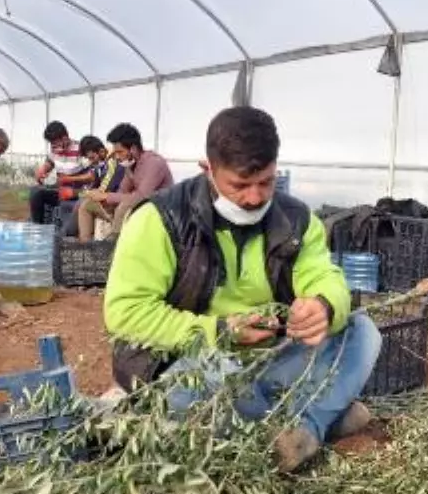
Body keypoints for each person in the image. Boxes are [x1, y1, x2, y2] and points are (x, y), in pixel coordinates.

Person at [104, 106, 381, 473]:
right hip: (194, 363)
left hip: (271, 358)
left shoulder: (296, 219)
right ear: (208, 169)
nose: (254, 198)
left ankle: (305, 430)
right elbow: (125, 312)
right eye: (240, 184)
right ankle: (325, 413)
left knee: (362, 333)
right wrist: (219, 332)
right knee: (197, 392)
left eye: (265, 182)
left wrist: (323, 305)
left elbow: (325, 275)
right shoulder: (160, 220)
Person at [77, 123, 173, 240]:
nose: (116, 157)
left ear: (133, 148)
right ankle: (85, 250)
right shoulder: (129, 164)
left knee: (124, 206)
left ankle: (113, 248)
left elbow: (141, 197)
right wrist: (101, 198)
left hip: (157, 213)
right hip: (135, 209)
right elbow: (122, 191)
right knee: (87, 204)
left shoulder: (154, 163)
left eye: (120, 152)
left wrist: (106, 196)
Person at [58, 136, 125, 237]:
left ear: (102, 151)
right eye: (89, 158)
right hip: (105, 199)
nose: (91, 161)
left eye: (92, 158)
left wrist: (75, 192)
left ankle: (69, 235)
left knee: (83, 204)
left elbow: (102, 191)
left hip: (112, 203)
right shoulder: (101, 164)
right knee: (76, 203)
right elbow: (93, 186)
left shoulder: (112, 163)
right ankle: (73, 236)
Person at [30, 121, 87, 224]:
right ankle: (38, 228)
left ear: (65, 138)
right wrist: (42, 170)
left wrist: (73, 187)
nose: (53, 146)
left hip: (77, 192)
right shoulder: (54, 150)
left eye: (55, 143)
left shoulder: (81, 150)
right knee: (36, 193)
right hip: (61, 192)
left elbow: (91, 177)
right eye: (51, 143)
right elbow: (49, 163)